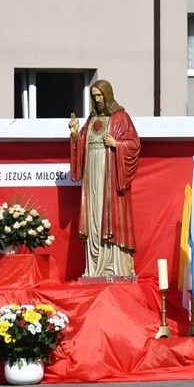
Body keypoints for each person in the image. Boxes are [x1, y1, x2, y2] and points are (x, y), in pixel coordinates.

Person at [69, 79, 140, 279]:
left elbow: (134, 145)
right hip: (92, 175)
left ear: (107, 95)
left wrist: (117, 144)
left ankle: (114, 266)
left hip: (110, 174)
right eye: (93, 96)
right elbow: (82, 143)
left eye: (99, 95)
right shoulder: (91, 119)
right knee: (94, 216)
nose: (96, 99)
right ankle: (94, 268)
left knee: (109, 214)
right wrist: (75, 135)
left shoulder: (121, 117)